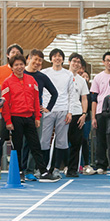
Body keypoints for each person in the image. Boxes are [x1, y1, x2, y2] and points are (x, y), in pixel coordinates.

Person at [1, 54, 60, 183]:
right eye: (16, 65)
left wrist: (37, 117)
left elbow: (35, 100)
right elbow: (5, 104)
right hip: (16, 118)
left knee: (35, 145)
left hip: (30, 118)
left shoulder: (31, 81)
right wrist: (8, 121)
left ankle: (43, 172)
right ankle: (20, 172)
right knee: (18, 146)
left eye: (21, 64)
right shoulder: (7, 82)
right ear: (11, 67)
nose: (19, 67)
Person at [21, 49, 59, 181]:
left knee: (34, 143)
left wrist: (47, 108)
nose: (37, 62)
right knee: (22, 143)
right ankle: (21, 170)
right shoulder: (20, 73)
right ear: (28, 59)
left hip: (36, 114)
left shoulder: (42, 77)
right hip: (20, 113)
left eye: (40, 61)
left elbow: (55, 93)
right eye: (35, 59)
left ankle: (30, 170)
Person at [41, 48, 74, 179]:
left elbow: (72, 94)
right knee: (44, 140)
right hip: (48, 110)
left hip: (63, 109)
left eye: (60, 56)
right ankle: (43, 168)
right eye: (54, 56)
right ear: (51, 59)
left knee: (61, 141)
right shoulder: (44, 73)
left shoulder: (68, 74)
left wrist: (70, 112)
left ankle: (55, 168)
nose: (57, 58)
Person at [0, 44, 24, 180]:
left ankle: (19, 169)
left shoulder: (22, 72)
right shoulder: (0, 70)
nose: (14, 54)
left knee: (17, 142)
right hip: (1, 112)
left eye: (17, 52)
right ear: (7, 55)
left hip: (17, 113)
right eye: (12, 52)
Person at [66, 53, 89, 177]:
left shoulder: (81, 80)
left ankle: (72, 169)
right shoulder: (63, 76)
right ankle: (55, 168)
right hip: (64, 113)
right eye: (74, 61)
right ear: (69, 62)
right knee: (61, 143)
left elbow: (84, 98)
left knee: (76, 143)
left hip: (77, 114)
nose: (76, 64)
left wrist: (84, 114)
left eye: (78, 62)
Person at [78, 59, 95, 175]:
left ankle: (86, 164)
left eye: (87, 76)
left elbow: (91, 105)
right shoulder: (75, 86)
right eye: (82, 76)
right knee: (72, 142)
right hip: (74, 117)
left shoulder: (90, 92)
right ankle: (74, 164)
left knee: (85, 140)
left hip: (86, 118)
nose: (85, 78)